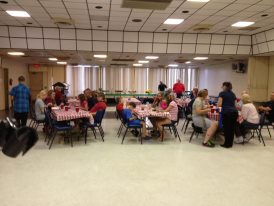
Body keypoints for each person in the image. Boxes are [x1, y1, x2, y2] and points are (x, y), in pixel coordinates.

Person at [217, 82, 238, 148]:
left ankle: (226, 144)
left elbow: (219, 104)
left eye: (222, 86)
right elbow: (235, 104)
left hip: (227, 112)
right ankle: (230, 144)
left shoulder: (222, 93)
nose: (221, 87)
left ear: (225, 86)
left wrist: (219, 110)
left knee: (226, 128)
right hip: (234, 112)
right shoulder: (233, 94)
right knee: (231, 129)